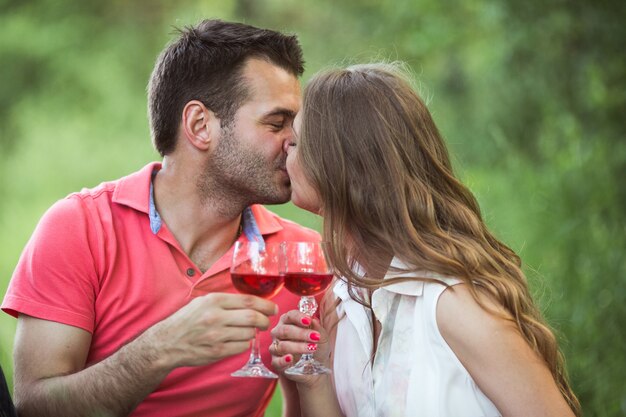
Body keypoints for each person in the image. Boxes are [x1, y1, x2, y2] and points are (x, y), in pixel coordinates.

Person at [1, 19, 319, 417]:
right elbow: (33, 406)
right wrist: (161, 349)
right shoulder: (79, 227)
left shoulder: (304, 257)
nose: (295, 140)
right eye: (277, 122)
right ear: (200, 126)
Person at [269, 63, 582, 417]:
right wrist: (314, 379)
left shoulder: (452, 303)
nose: (284, 151)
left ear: (339, 165)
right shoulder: (340, 299)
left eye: (296, 142)